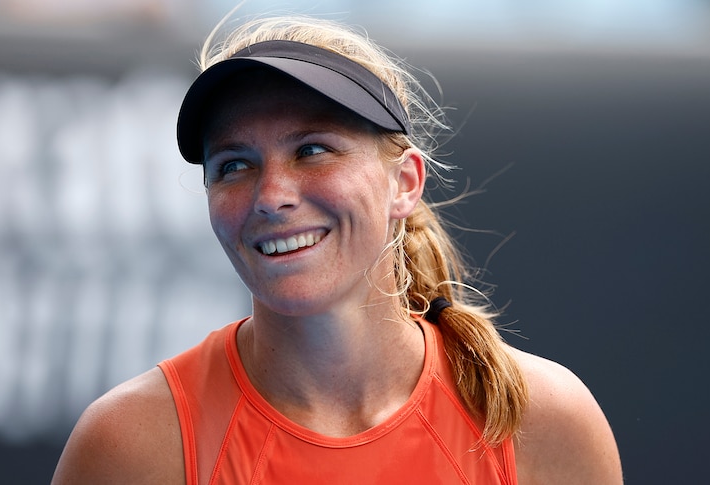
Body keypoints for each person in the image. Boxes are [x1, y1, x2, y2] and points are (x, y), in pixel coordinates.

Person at [52, 14, 622, 485]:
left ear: (405, 183)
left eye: (313, 150)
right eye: (234, 165)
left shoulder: (544, 421)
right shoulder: (134, 444)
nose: (271, 197)